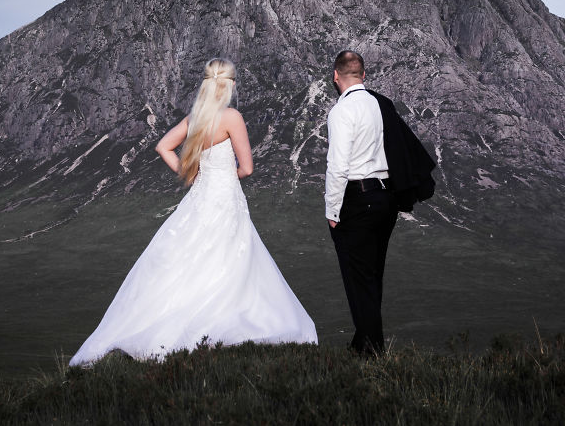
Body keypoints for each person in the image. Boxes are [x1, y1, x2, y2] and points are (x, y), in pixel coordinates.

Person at [69, 58, 317, 366]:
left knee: (190, 256)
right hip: (225, 197)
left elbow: (162, 146)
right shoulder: (231, 117)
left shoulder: (195, 119)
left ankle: (178, 325)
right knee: (229, 260)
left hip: (200, 197)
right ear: (229, 86)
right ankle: (221, 325)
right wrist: (224, 177)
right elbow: (248, 168)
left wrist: (194, 176)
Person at [325, 50, 399, 356]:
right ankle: (362, 346)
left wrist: (332, 209)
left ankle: (373, 353)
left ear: (335, 76)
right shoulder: (381, 104)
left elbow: (338, 165)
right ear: (364, 75)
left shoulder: (342, 111)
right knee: (373, 276)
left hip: (358, 198)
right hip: (386, 196)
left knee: (359, 280)